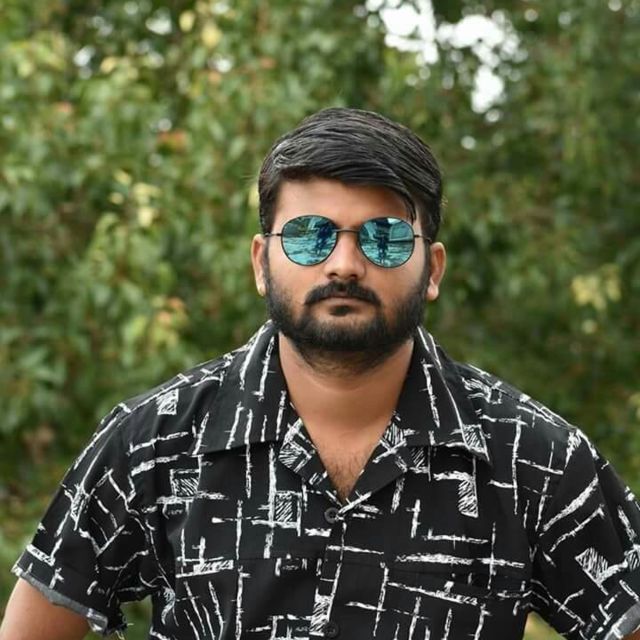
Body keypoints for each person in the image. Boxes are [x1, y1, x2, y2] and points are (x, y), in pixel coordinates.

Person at [1, 108, 639, 640]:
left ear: (433, 269)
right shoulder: (156, 441)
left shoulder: (531, 456)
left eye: (384, 238)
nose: (344, 264)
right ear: (261, 263)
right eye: (310, 235)